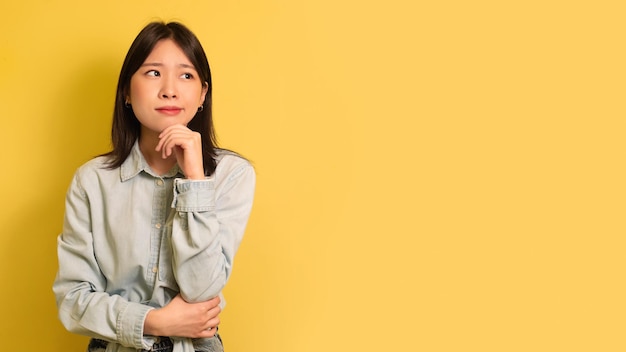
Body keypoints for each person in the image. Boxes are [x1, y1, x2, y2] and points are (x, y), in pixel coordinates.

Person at [53, 21, 255, 352]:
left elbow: (201, 289)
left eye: (186, 75)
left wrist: (195, 180)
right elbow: (72, 301)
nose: (170, 90)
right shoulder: (92, 181)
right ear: (127, 93)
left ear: (203, 94)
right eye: (153, 73)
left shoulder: (232, 175)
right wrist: (154, 322)